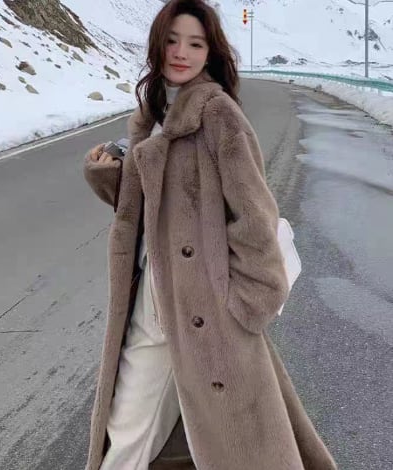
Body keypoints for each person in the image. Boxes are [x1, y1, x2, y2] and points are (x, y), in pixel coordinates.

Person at [83, 1, 338, 469]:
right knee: (128, 427)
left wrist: (245, 304)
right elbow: (157, 208)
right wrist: (109, 178)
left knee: (225, 437)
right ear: (157, 45)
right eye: (172, 41)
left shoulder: (217, 114)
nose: (181, 52)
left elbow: (254, 215)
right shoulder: (152, 115)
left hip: (202, 307)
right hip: (153, 298)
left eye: (195, 43)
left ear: (210, 52)